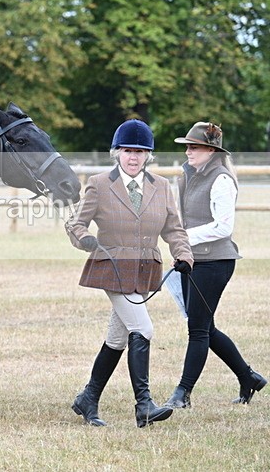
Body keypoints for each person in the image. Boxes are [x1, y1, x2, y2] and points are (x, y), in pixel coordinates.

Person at [65, 119, 193, 428]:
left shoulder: (161, 187)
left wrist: (184, 254)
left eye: (140, 151)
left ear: (148, 155)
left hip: (144, 270)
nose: (133, 157)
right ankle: (144, 405)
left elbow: (174, 229)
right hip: (112, 267)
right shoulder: (98, 184)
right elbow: (75, 223)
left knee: (117, 338)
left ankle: (88, 398)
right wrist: (85, 239)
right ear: (116, 153)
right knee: (143, 328)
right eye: (127, 151)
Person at [163, 122, 266, 409]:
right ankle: (249, 378)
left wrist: (186, 238)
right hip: (193, 260)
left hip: (216, 262)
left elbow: (223, 227)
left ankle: (182, 393)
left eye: (193, 146)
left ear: (211, 150)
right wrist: (181, 248)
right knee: (206, 329)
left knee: (197, 329)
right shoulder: (187, 176)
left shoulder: (221, 180)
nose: (188, 151)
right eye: (187, 146)